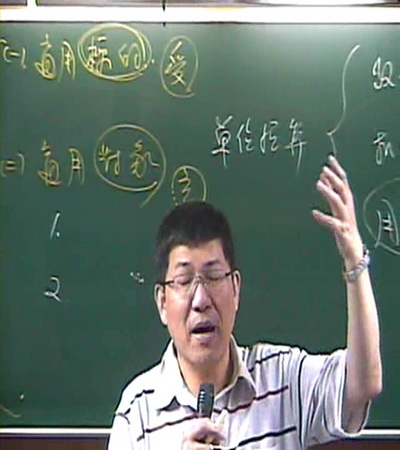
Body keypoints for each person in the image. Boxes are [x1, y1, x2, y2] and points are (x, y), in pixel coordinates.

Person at [108, 155, 382, 449]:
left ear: (236, 289)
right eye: (184, 281)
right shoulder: (137, 412)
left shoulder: (282, 380)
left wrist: (355, 261)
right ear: (162, 302)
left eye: (213, 277)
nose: (200, 300)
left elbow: (363, 383)